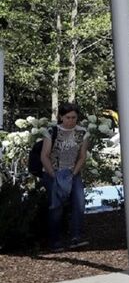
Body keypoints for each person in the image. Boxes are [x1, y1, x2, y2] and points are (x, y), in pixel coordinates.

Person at [40, 102, 89, 252]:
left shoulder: (82, 132)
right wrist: (53, 175)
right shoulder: (51, 131)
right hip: (54, 172)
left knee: (79, 204)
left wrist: (73, 173)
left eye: (74, 117)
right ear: (61, 117)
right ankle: (55, 240)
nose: (71, 121)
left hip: (72, 172)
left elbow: (82, 156)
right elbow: (44, 155)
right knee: (56, 207)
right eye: (68, 117)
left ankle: (76, 236)